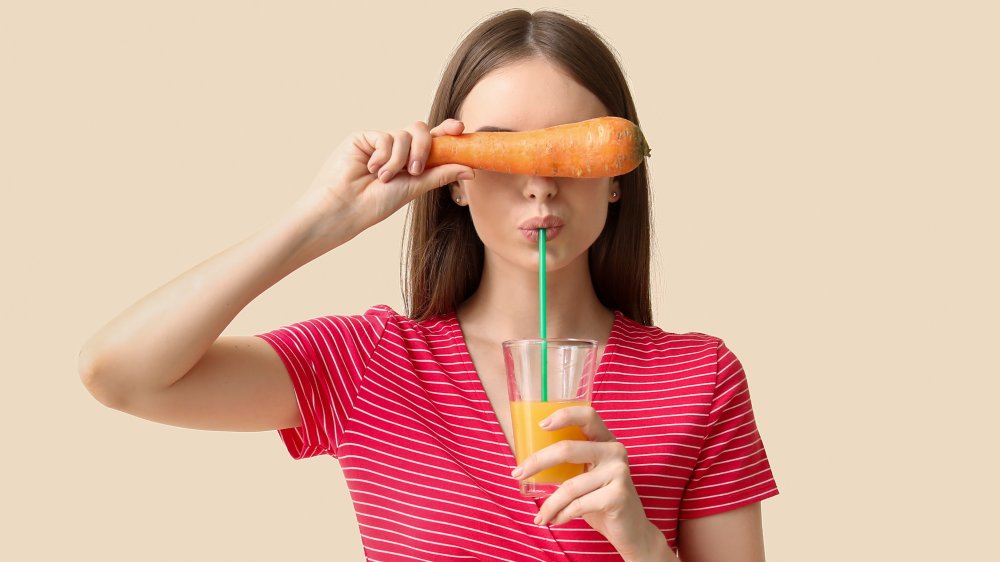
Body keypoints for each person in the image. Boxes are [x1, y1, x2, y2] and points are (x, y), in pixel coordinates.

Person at [79, 9, 778, 561]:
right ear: (458, 180)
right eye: (504, 152)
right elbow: (122, 374)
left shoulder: (700, 378)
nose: (540, 184)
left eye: (570, 150)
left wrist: (638, 539)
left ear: (617, 178)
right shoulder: (369, 364)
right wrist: (321, 218)